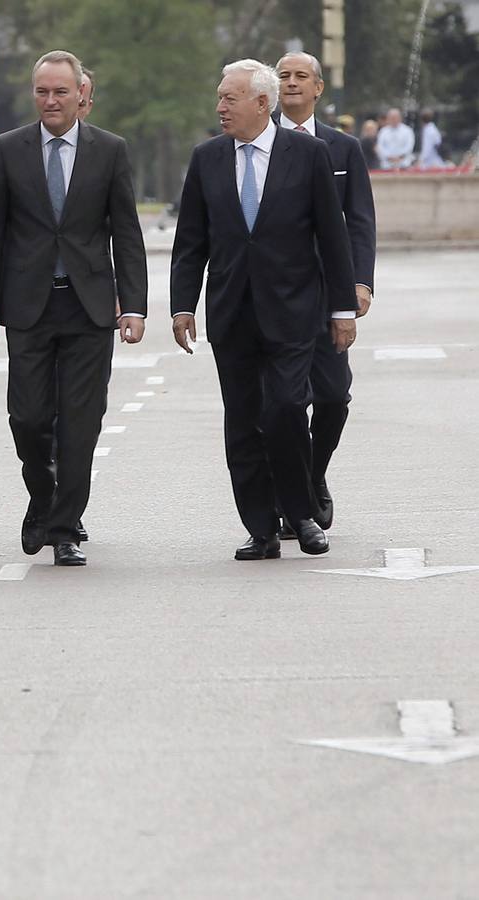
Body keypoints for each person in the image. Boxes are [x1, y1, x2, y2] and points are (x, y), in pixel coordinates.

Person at [170, 59, 356, 561]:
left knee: (287, 409)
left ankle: (301, 512)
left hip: (295, 311)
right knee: (243, 421)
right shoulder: (207, 157)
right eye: (219, 97)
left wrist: (342, 308)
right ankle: (261, 528)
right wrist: (181, 306)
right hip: (232, 313)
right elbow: (190, 242)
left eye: (229, 98)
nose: (220, 107)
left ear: (261, 102)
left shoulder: (308, 154)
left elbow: (333, 238)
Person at [0, 50, 147, 567]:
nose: (51, 100)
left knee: (80, 423)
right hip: (27, 307)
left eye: (60, 92)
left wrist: (132, 305)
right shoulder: (8, 149)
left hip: (89, 309)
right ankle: (43, 498)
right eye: (42, 92)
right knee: (27, 419)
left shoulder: (109, 150)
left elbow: (127, 233)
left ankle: (64, 527)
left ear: (79, 96)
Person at [274, 52, 376, 537]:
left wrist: (359, 282)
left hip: (327, 294)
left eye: (300, 77)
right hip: (275, 297)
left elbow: (358, 221)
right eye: (283, 76)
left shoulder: (343, 148)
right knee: (283, 404)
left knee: (333, 396)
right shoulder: (255, 142)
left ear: (318, 89)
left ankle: (313, 477)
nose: (291, 83)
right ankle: (289, 494)